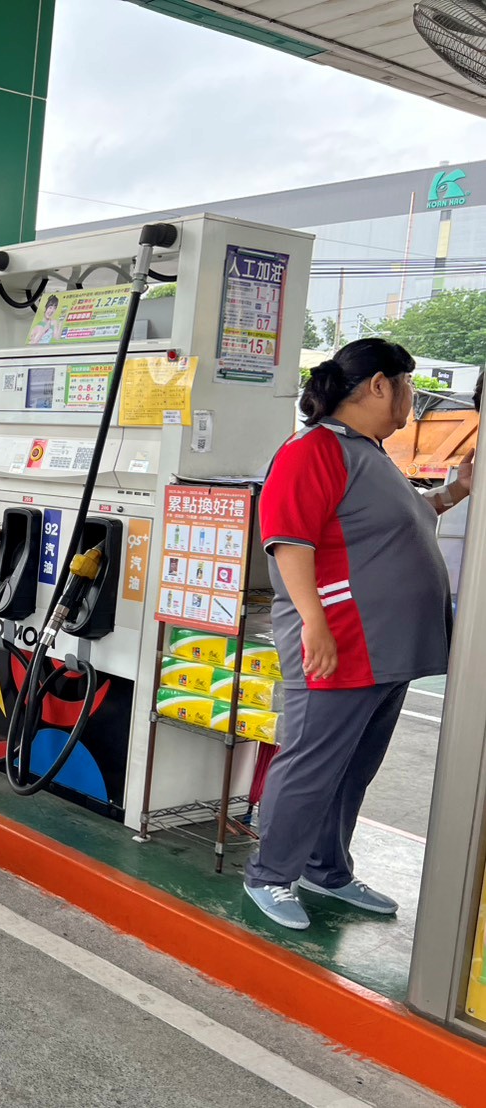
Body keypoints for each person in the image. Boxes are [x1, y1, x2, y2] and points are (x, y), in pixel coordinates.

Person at [245, 338, 473, 930]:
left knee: (354, 766)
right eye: (408, 388)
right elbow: (290, 541)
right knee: (311, 763)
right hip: (341, 644)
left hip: (386, 648)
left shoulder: (366, 453)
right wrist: (314, 627)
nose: (410, 401)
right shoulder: (312, 450)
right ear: (378, 385)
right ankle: (269, 875)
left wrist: (457, 490)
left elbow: (408, 519)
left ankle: (328, 869)